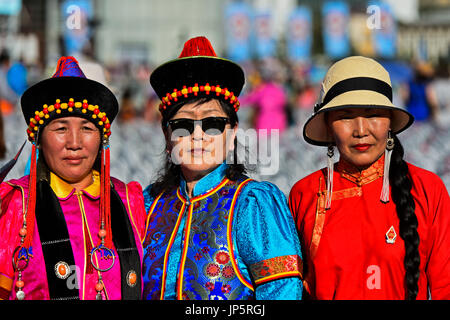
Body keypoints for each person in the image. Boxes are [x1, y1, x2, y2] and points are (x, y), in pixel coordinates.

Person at [141, 36, 303, 300]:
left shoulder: (252, 205)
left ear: (232, 132)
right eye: (182, 125)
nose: (197, 135)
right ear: (166, 135)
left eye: (213, 123)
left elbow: (282, 292)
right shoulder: (149, 204)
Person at [289, 56, 450, 300]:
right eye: (345, 116)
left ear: (390, 123)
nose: (361, 130)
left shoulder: (427, 189)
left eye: (373, 113)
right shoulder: (306, 193)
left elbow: (444, 287)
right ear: (329, 125)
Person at [0, 57, 146, 300]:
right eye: (60, 129)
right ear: (39, 139)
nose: (75, 143)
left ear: (102, 138)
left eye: (87, 129)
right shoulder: (16, 205)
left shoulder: (128, 200)